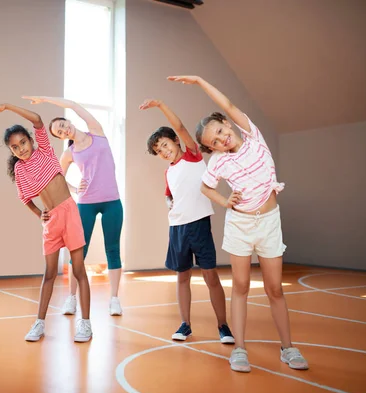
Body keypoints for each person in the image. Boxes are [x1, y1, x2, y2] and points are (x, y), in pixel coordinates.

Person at [169, 75, 309, 372]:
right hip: (240, 227)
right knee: (242, 286)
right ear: (211, 148)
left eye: (221, 131)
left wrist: (199, 81)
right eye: (214, 142)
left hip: (269, 222)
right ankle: (240, 350)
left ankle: (288, 347)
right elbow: (206, 188)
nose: (221, 139)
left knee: (275, 289)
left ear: (228, 124)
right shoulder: (217, 162)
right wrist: (225, 201)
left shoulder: (252, 135)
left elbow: (228, 103)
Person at [0, 102, 93, 342]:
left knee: (78, 270)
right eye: (14, 147)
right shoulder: (20, 170)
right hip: (51, 220)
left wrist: (10, 107)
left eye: (23, 142)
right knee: (49, 273)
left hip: (69, 212)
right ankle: (39, 323)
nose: (20, 149)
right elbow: (25, 199)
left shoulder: (45, 151)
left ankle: (85, 324)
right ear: (11, 151)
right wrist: (39, 213)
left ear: (31, 140)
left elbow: (38, 119)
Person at [141, 98, 234, 344]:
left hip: (200, 224)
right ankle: (186, 324)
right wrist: (169, 203)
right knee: (182, 277)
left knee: (210, 276)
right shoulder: (168, 171)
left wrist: (161, 105)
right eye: (159, 151)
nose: (163, 151)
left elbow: (181, 125)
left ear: (174, 140)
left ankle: (223, 326)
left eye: (164, 144)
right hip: (178, 229)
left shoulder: (192, 155)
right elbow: (169, 195)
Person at [22, 96, 124, 317]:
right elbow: (54, 177)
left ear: (68, 121)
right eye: (59, 132)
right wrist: (77, 189)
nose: (63, 130)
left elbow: (73, 105)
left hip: (112, 201)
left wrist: (43, 99)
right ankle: (71, 298)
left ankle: (114, 299)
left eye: (62, 125)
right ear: (60, 137)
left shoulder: (96, 131)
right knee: (79, 252)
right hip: (86, 204)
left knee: (113, 249)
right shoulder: (69, 153)